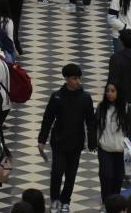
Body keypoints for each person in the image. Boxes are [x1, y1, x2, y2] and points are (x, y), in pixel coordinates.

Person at [37, 65, 96, 212]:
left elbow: (91, 121)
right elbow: (48, 119)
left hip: (76, 143)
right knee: (57, 172)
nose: (78, 81)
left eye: (79, 78)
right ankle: (55, 199)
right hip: (59, 141)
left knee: (71, 175)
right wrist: (42, 139)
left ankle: (65, 201)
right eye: (75, 78)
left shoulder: (85, 98)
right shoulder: (57, 96)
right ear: (67, 79)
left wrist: (92, 141)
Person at [96, 82, 131, 205]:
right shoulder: (101, 107)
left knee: (117, 178)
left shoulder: (127, 108)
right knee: (106, 176)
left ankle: (114, 203)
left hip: (120, 150)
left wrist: (127, 142)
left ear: (118, 92)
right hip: (104, 148)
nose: (110, 94)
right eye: (108, 91)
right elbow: (95, 125)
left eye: (113, 91)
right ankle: (106, 203)